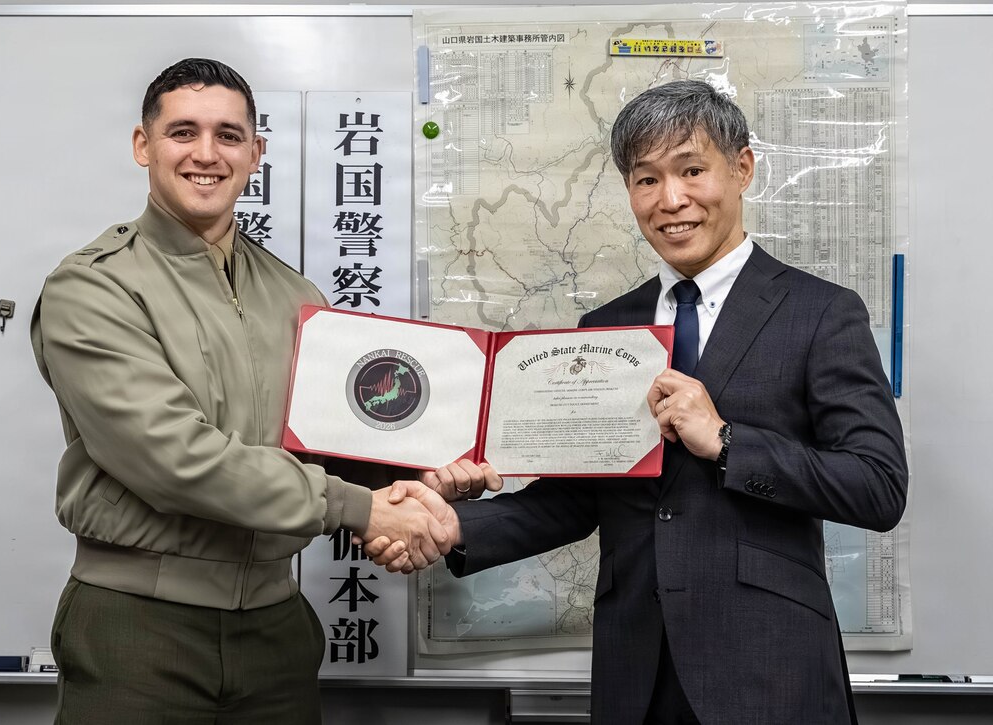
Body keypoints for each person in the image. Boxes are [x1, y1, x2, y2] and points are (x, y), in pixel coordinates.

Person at [368, 80, 908, 724]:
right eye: (645, 179)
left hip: (770, 667)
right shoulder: (607, 327)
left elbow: (877, 487)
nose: (670, 200)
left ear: (741, 169)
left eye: (692, 170)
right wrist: (452, 525)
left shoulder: (820, 312)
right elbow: (575, 498)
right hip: (636, 671)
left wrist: (728, 441)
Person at [30, 57, 496, 724]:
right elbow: (174, 460)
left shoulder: (297, 297)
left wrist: (427, 474)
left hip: (275, 630)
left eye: (227, 135)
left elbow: (330, 442)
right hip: (137, 629)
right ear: (144, 145)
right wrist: (365, 511)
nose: (206, 154)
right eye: (182, 132)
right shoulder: (94, 288)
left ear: (257, 152)